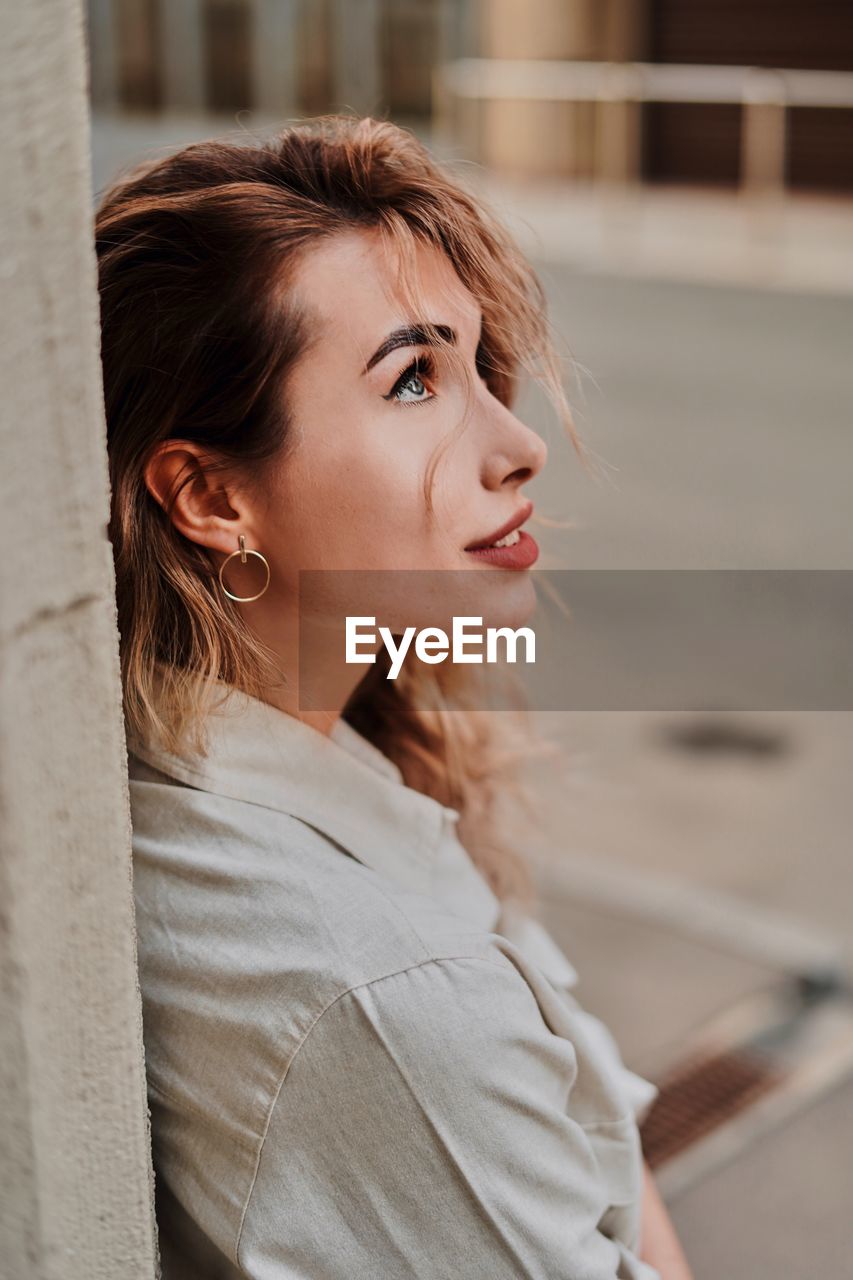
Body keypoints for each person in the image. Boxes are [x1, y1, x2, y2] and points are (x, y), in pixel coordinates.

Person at [96, 114, 694, 1279]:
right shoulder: (381, 995)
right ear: (211, 497)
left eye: (476, 365)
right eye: (413, 377)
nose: (517, 441)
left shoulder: (285, 760)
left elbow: (604, 1145)